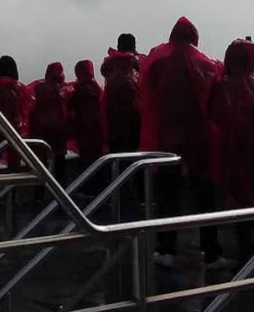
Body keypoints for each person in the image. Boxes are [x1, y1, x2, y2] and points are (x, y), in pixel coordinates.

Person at [140, 17, 224, 269]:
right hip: (198, 140)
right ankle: (211, 253)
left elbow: (148, 100)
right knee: (205, 197)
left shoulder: (157, 64)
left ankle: (165, 249)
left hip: (167, 139)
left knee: (167, 196)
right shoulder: (207, 64)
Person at [209, 40, 254, 266]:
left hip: (228, 155)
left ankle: (244, 260)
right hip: (248, 155)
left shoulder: (220, 86)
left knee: (239, 208)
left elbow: (214, 118)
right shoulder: (252, 85)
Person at [0, 55, 32, 172]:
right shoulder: (18, 86)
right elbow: (27, 106)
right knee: (14, 163)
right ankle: (11, 189)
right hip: (14, 128)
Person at [30, 62, 73, 185]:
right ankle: (62, 191)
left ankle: (39, 195)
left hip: (41, 131)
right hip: (59, 132)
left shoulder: (39, 88)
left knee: (41, 163)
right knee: (60, 162)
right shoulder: (66, 90)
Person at [101, 33, 142, 154]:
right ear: (134, 46)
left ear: (118, 46)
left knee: (116, 152)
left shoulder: (108, 64)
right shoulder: (139, 62)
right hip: (135, 115)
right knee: (135, 152)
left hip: (113, 116)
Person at [69, 60, 105, 173]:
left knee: (86, 165)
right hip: (97, 132)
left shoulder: (81, 90)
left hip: (84, 132)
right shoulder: (97, 88)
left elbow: (73, 107)